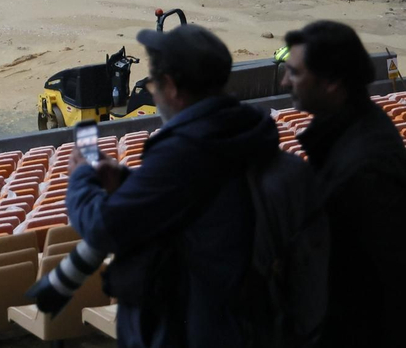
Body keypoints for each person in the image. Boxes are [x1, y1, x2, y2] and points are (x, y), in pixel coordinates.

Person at [65, 24, 280, 348]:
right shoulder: (239, 132)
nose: (152, 91)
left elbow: (102, 227)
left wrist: (81, 177)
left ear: (173, 88)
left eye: (153, 83)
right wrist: (126, 180)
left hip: (199, 328)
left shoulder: (184, 151)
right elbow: (194, 195)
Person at [283, 21, 406, 348]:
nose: (284, 81)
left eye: (294, 73)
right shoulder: (354, 132)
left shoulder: (365, 169)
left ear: (332, 81)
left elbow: (404, 281)